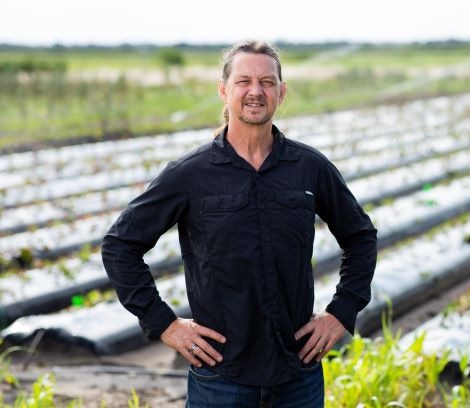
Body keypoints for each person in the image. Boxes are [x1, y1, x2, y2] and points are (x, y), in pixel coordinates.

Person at [101, 40, 377, 407]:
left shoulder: (310, 168)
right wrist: (164, 323)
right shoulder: (190, 174)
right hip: (221, 378)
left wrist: (341, 312)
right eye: (244, 81)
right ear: (224, 90)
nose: (256, 91)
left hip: (298, 374)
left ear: (281, 92)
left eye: (267, 82)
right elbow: (120, 245)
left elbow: (360, 237)